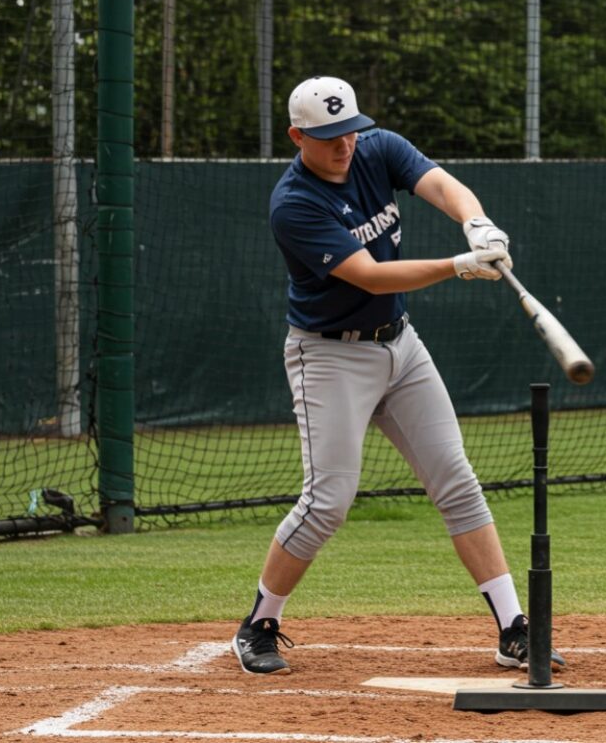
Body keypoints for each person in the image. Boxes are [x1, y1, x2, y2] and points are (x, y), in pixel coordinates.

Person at [232, 75, 565, 676]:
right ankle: (258, 623)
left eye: (350, 132)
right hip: (329, 356)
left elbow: (440, 184)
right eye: (329, 137)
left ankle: (513, 629)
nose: (345, 145)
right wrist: (459, 264)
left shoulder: (376, 146)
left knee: (457, 481)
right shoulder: (294, 204)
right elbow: (369, 275)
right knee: (328, 502)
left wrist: (476, 222)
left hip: (401, 346)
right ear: (297, 137)